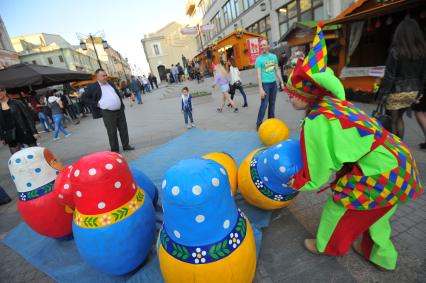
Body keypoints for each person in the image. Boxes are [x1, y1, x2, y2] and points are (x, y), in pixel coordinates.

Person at [285, 22, 422, 272]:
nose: (288, 97)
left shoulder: (316, 121)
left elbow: (317, 168)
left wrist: (295, 182)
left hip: (381, 169)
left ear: (307, 95)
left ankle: (326, 245)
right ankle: (382, 256)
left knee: (340, 204)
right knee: (377, 211)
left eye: (293, 93)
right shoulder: (334, 104)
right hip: (400, 160)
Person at [378, 17, 426, 139]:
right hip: (413, 92)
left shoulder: (395, 52)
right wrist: (420, 92)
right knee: (400, 118)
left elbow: (390, 76)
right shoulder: (422, 51)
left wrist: (382, 95)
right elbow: (423, 74)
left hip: (396, 91)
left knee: (393, 120)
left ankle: (395, 149)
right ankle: (401, 148)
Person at [82, 69, 134, 153]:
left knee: (123, 128)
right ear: (97, 77)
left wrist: (121, 102)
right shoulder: (92, 86)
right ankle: (115, 150)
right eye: (103, 76)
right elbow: (84, 98)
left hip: (119, 110)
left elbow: (116, 93)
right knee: (112, 131)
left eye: (106, 75)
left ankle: (126, 145)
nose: (106, 77)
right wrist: (97, 104)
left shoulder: (110, 83)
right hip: (108, 112)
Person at [0, 86, 39, 154]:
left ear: (4, 91)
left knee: (35, 153)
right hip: (11, 135)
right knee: (16, 158)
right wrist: (2, 137)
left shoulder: (17, 102)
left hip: (24, 131)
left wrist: (34, 132)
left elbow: (28, 117)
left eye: (0, 91)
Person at [255, 39, 284, 130]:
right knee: (264, 104)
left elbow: (277, 70)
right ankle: (259, 124)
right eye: (261, 45)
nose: (262, 47)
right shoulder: (259, 59)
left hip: (273, 84)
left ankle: (271, 121)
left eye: (264, 45)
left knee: (272, 103)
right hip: (265, 85)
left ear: (268, 46)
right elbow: (259, 75)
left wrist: (281, 82)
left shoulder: (273, 57)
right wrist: (261, 89)